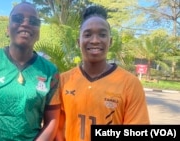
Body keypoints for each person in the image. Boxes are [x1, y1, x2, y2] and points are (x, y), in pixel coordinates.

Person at [0, 2, 61, 141]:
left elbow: (52, 122)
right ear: (7, 29)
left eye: (33, 21)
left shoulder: (50, 71)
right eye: (18, 18)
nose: (25, 24)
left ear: (38, 33)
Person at [55, 4, 150, 141]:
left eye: (102, 34)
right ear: (78, 42)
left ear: (110, 41)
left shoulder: (130, 84)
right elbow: (57, 128)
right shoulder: (63, 80)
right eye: (87, 34)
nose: (95, 40)